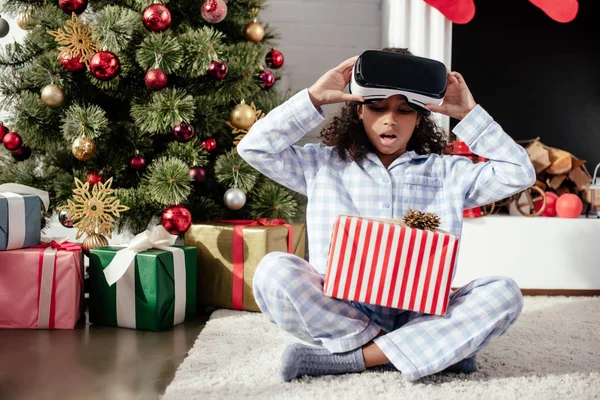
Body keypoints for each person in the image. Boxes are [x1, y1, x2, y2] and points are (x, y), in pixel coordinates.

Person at [236, 48, 536, 382]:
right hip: (342, 310)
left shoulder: (448, 172)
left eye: (404, 110)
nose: (390, 119)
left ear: (420, 117)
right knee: (273, 272)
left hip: (423, 312)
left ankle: (356, 358)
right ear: (359, 111)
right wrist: (314, 98)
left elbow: (519, 173)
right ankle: (436, 351)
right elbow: (254, 148)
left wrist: (470, 114)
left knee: (503, 294)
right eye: (378, 107)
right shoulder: (321, 165)